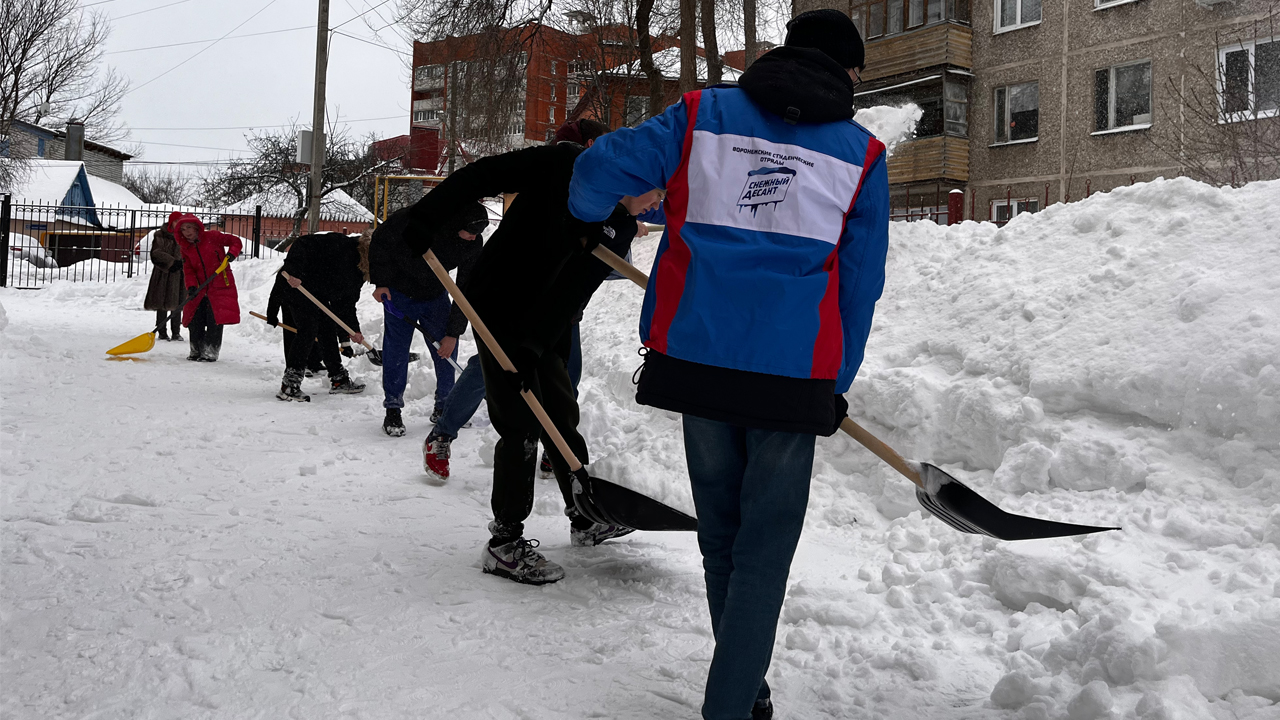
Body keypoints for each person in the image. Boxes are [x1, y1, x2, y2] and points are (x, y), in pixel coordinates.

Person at [567, 11, 889, 720]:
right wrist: (834, 384)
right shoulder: (861, 156)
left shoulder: (700, 116)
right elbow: (859, 287)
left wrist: (594, 210)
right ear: (849, 73)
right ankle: (732, 704)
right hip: (791, 377)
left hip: (700, 364)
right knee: (765, 551)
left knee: (723, 537)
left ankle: (746, 688)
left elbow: (594, 169)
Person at [400, 122, 661, 585]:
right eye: (657, 192)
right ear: (635, 177)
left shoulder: (618, 227)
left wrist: (534, 346)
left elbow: (572, 292)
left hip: (547, 312)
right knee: (519, 420)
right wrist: (425, 218)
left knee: (559, 409)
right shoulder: (563, 164)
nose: (657, 204)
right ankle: (504, 541)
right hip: (495, 302)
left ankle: (586, 515)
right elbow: (480, 176)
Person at [368, 202, 489, 436]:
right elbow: (381, 241)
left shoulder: (472, 244)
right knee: (396, 351)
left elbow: (466, 289)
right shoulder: (416, 220)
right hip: (399, 293)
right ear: (457, 224)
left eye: (478, 234)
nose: (474, 238)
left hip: (435, 295)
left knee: (446, 350)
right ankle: (393, 408)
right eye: (471, 232)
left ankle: (444, 405)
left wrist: (453, 334)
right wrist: (381, 282)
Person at [273, 232, 370, 401]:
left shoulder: (360, 271)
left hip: (318, 292)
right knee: (308, 329)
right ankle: (289, 385)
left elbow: (346, 303)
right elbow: (302, 242)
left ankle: (338, 379)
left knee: (327, 329)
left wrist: (353, 330)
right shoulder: (342, 244)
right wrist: (293, 270)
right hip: (297, 284)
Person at [172, 213, 242, 362]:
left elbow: (235, 241)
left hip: (220, 284)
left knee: (214, 319)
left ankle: (211, 351)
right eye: (183, 229)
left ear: (197, 227)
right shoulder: (186, 248)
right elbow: (189, 269)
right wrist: (191, 286)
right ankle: (196, 349)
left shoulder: (213, 237)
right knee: (194, 318)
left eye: (189, 227)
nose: (187, 232)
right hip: (199, 288)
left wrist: (231, 254)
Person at [143, 214, 184, 341]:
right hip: (163, 272)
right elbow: (156, 253)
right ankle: (162, 330)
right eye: (176, 221)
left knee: (178, 303)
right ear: (171, 222)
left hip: (180, 273)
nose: (178, 223)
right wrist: (171, 262)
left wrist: (183, 263)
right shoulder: (160, 235)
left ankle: (176, 332)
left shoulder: (184, 236)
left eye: (180, 221)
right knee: (162, 302)